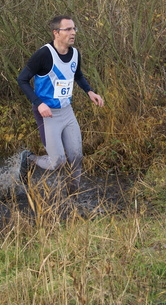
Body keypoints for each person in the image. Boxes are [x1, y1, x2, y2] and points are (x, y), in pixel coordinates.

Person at [17, 15, 104, 195]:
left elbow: (77, 75)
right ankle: (30, 159)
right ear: (56, 33)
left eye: (74, 29)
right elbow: (22, 79)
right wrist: (39, 103)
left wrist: (90, 91)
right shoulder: (43, 54)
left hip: (67, 112)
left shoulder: (75, 53)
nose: (73, 33)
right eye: (68, 29)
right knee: (57, 162)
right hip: (47, 114)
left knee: (76, 157)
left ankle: (72, 199)